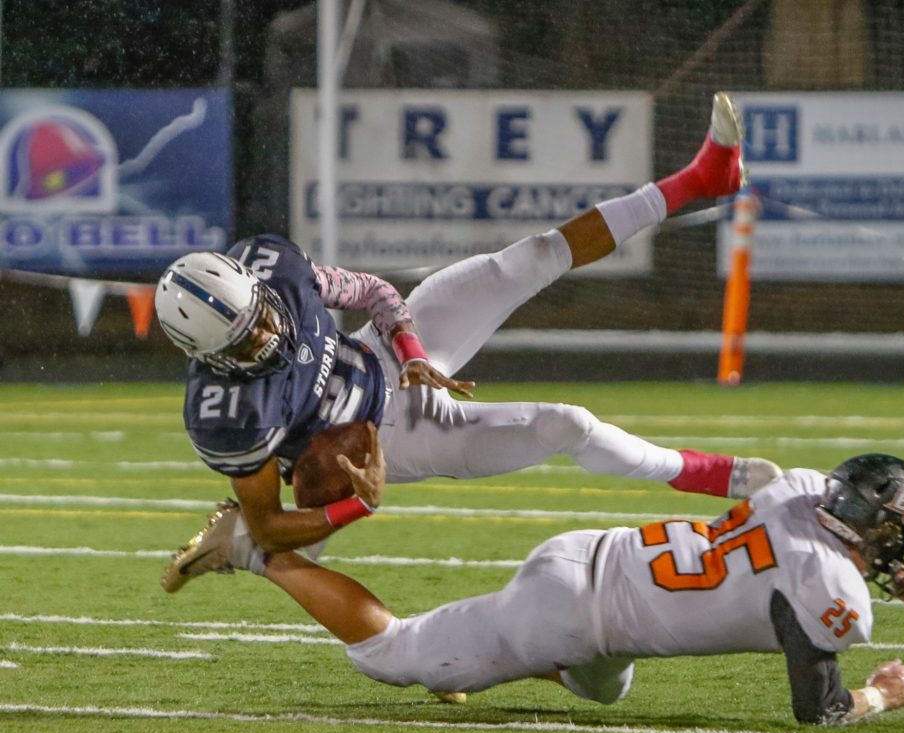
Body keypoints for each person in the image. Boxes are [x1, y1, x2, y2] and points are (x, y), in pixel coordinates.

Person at [156, 92, 782, 583]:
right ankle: (705, 474)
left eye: (261, 315)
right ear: (206, 357)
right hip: (385, 443)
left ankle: (699, 182)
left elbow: (375, 294)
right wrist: (360, 502)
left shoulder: (276, 269)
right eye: (242, 343)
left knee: (529, 257)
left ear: (254, 285)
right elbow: (271, 522)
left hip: (388, 360)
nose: (266, 336)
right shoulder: (226, 413)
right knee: (568, 424)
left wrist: (412, 354)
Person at [168, 434, 904, 725]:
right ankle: (254, 550)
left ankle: (489, 651)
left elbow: (809, 544)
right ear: (873, 531)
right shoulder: (828, 590)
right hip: (571, 610)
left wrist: (890, 571)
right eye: (897, 540)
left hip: (593, 560)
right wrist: (879, 693)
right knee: (394, 656)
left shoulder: (800, 487)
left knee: (607, 689)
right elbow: (823, 710)